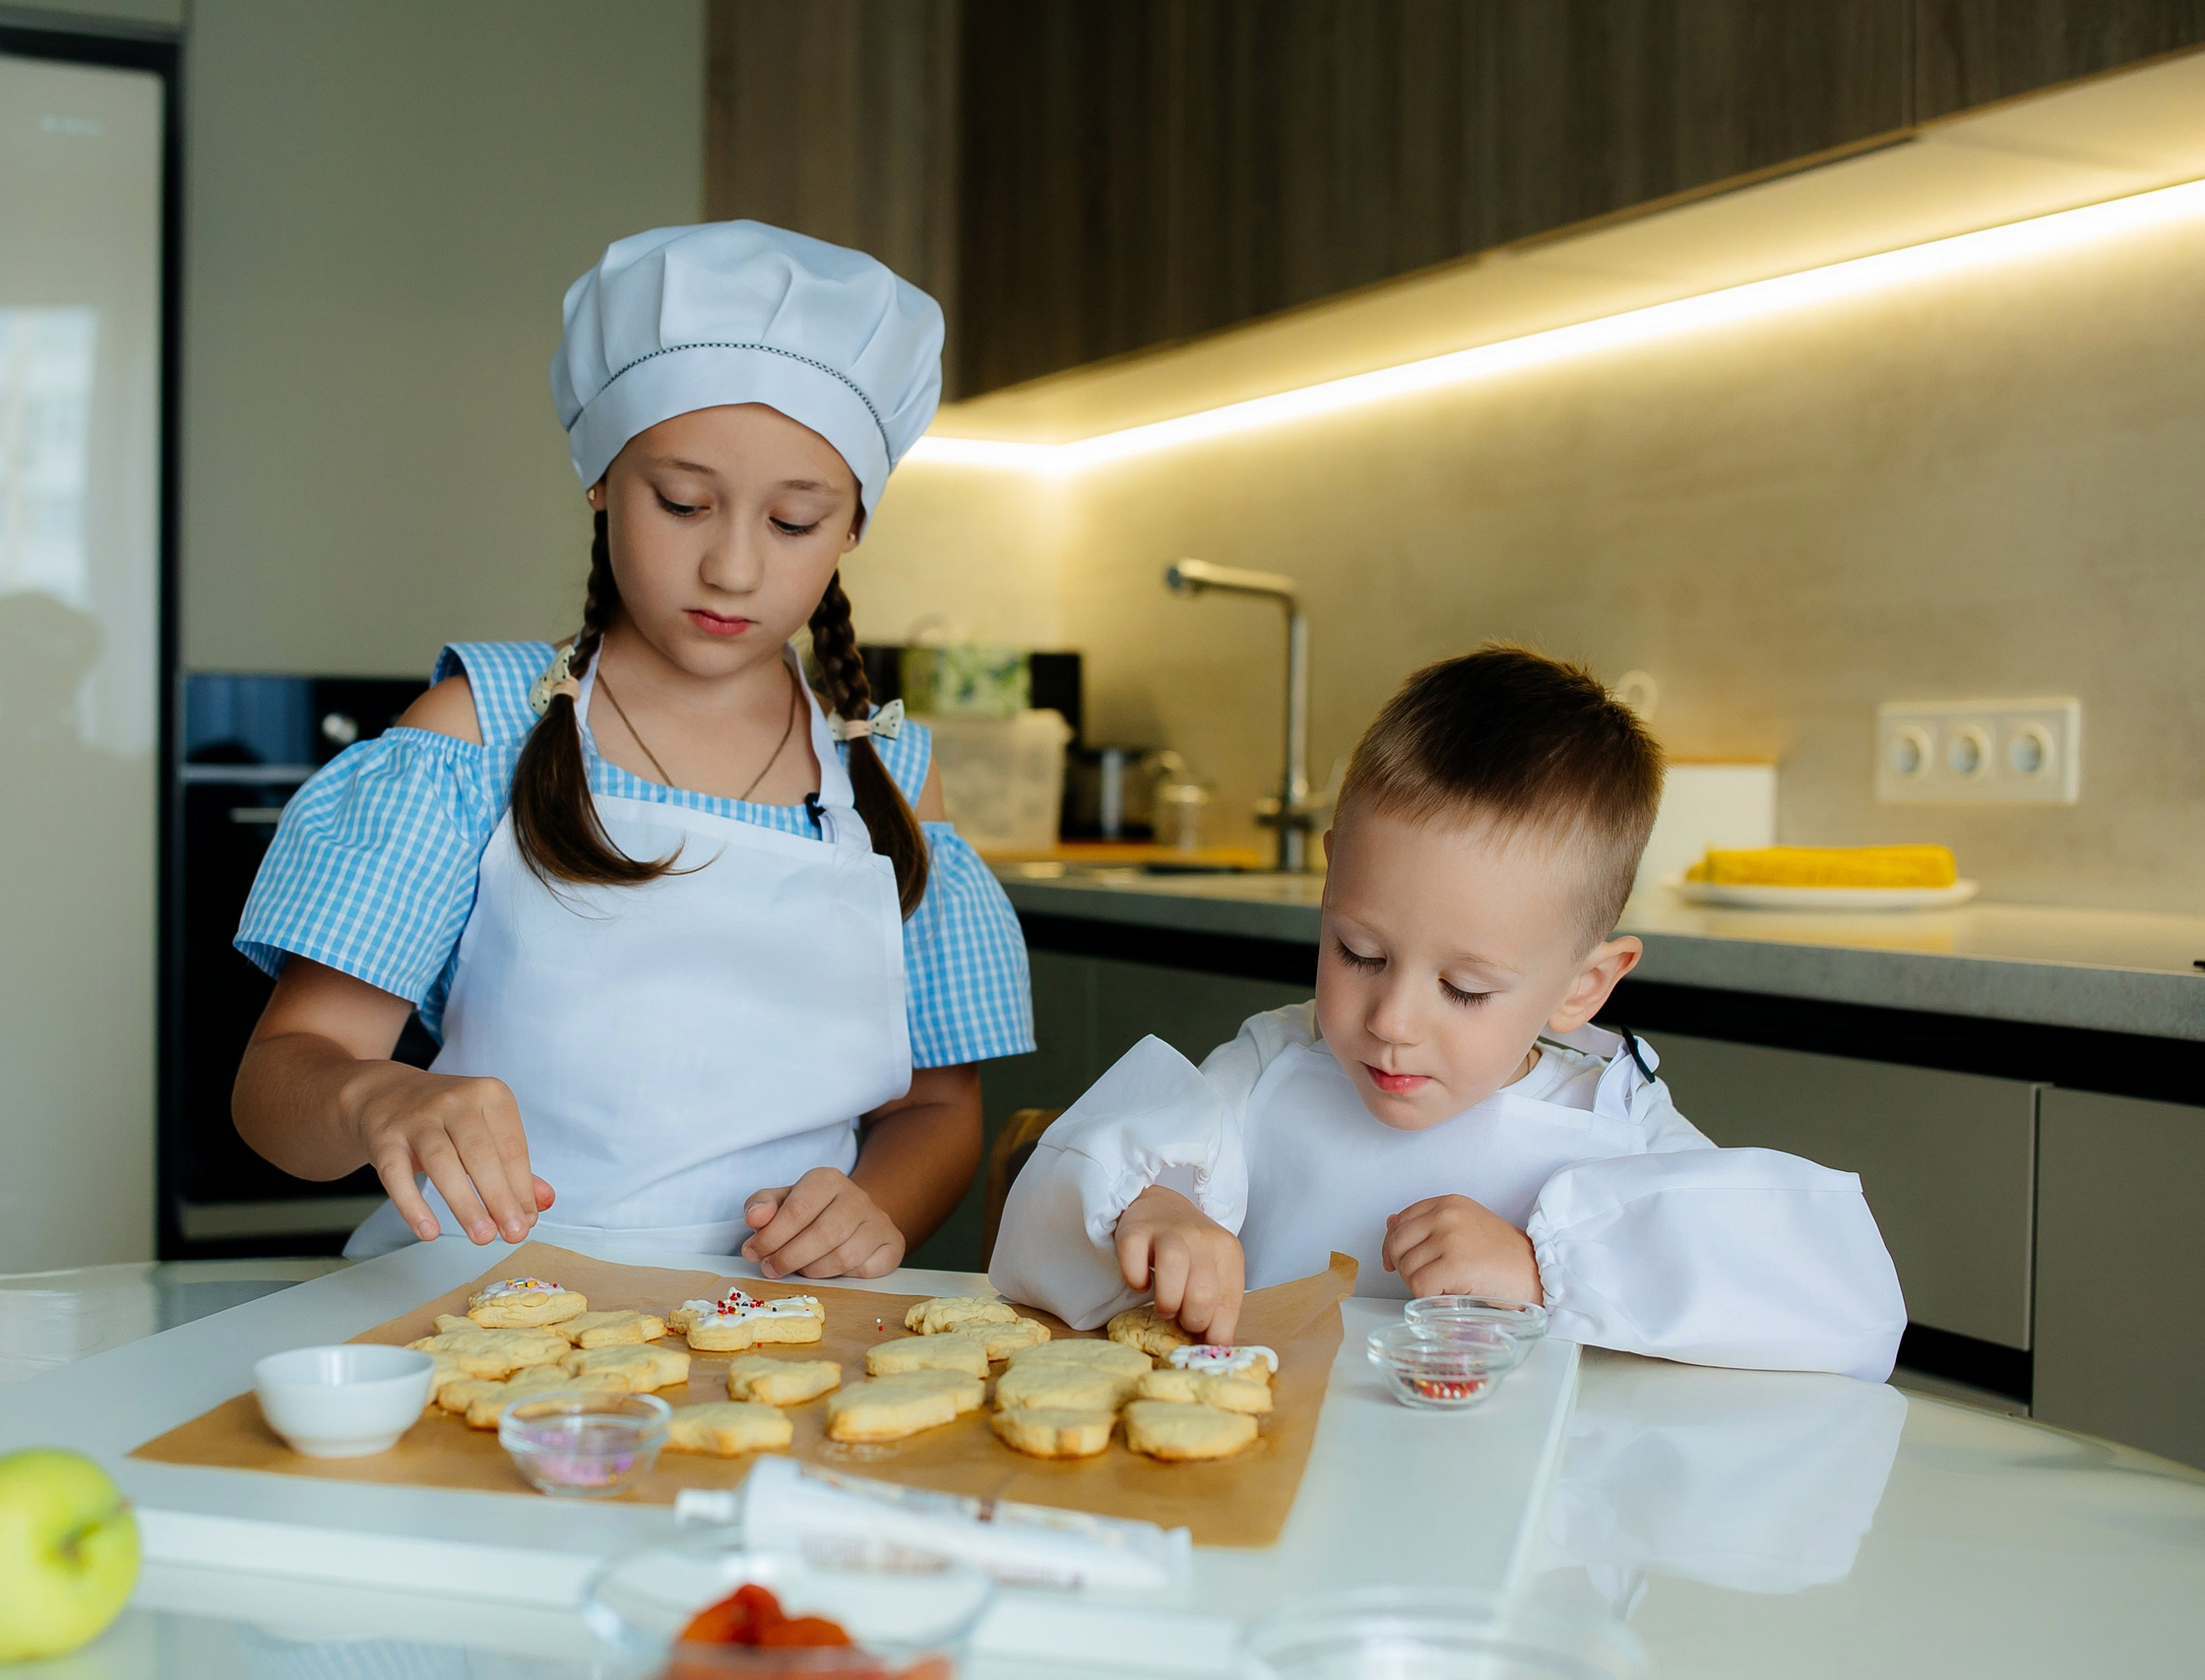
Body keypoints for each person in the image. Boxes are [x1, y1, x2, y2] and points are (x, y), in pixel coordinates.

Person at [231, 221, 1032, 1278]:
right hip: (480, 1320)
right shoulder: (477, 736)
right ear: (602, 478)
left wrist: (871, 1209)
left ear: (852, 529)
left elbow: (936, 1108)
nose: (733, 569)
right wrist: (375, 1095)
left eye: (794, 521)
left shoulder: (888, 786)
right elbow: (283, 1082)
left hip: (777, 1346)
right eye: (684, 503)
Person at [988, 645, 1906, 1379]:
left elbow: (1843, 1309)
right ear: (1332, 873)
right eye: (1360, 953)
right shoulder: (1275, 1065)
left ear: (1584, 985)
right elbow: (1086, 1190)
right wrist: (1161, 1207)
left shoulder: (1612, 1123)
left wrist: (1546, 1269)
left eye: (1465, 990)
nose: (1392, 1019)